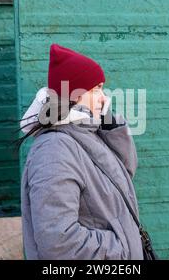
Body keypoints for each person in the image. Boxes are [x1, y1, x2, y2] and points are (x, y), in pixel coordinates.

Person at [16, 43, 143, 260]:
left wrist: (110, 126)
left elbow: (123, 178)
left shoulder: (85, 134)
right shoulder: (54, 151)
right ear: (73, 95)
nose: (104, 98)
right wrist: (122, 246)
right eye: (96, 89)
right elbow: (58, 244)